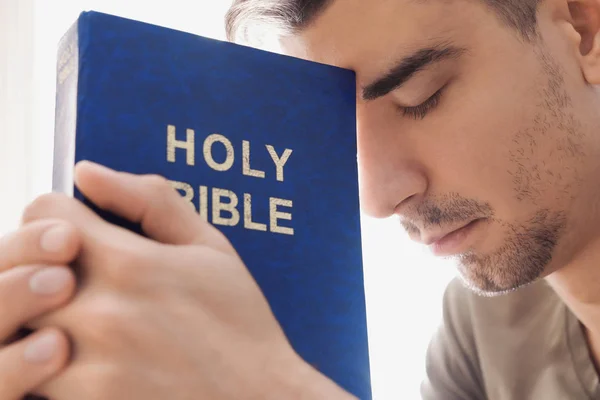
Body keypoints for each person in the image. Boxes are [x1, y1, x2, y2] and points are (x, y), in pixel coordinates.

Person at [1, 0, 598, 398]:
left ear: (584, 28)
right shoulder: (482, 330)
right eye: (346, 140)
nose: (377, 198)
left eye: (423, 96)